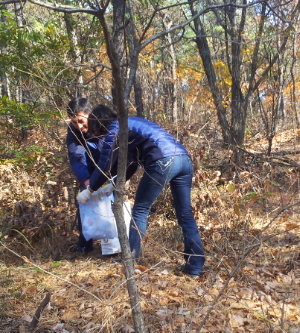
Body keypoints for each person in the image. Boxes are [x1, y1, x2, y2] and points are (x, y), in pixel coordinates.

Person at [80, 104, 205, 277]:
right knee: (185, 214)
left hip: (163, 160)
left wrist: (90, 189)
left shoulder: (115, 129)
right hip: (183, 159)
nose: (95, 134)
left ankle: (131, 259)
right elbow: (132, 162)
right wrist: (115, 182)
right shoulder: (130, 123)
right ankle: (195, 267)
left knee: (139, 210)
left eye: (94, 129)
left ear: (99, 124)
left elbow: (105, 163)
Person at [66, 97, 100, 253]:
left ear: (90, 114)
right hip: (88, 169)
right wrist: (86, 180)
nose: (78, 126)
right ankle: (85, 244)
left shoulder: (104, 122)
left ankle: (114, 243)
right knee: (84, 204)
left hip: (108, 167)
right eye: (74, 122)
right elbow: (76, 156)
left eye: (81, 120)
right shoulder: (73, 131)